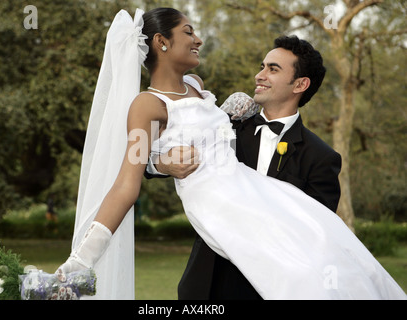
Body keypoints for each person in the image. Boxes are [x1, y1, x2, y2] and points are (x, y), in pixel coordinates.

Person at [55, 8, 406, 300]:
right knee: (301, 278)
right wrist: (82, 260)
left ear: (300, 85)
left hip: (254, 190)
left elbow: (205, 135)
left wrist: (224, 114)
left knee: (326, 252)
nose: (198, 39)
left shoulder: (197, 86)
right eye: (188, 31)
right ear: (161, 43)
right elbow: (126, 184)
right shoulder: (146, 105)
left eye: (273, 69)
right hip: (221, 207)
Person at [148, 36, 341, 299]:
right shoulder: (225, 126)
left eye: (273, 69)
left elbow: (318, 238)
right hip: (205, 285)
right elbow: (143, 163)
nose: (259, 75)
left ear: (300, 84)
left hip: (269, 291)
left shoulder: (322, 158)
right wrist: (161, 163)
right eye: (262, 66)